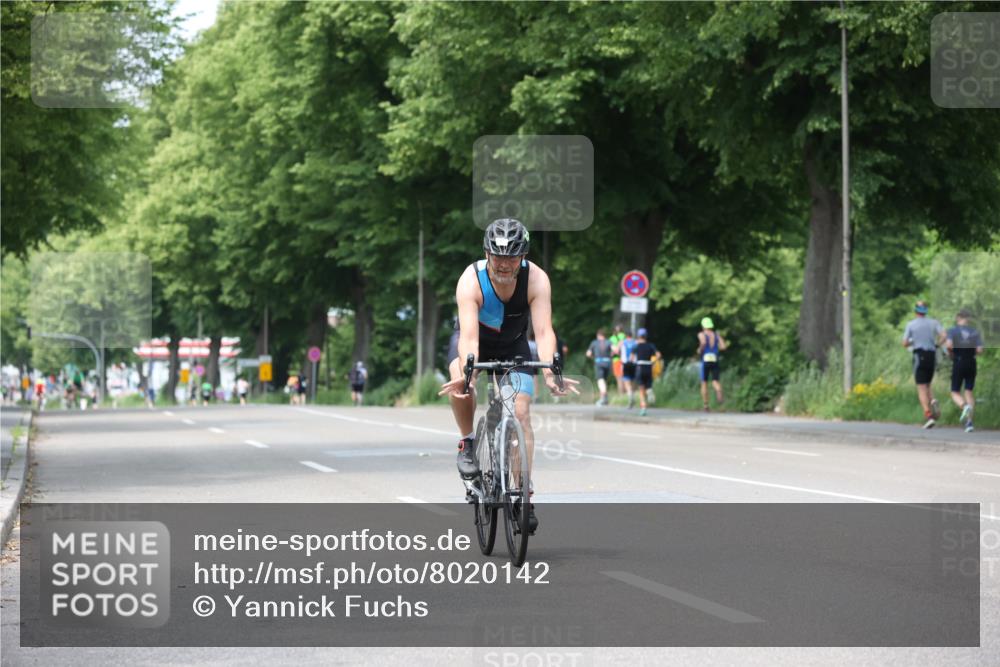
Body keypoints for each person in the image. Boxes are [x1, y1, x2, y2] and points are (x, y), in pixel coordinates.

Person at [438, 218, 577, 535]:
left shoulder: (536, 279)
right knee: (460, 383)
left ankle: (523, 494)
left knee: (523, 412)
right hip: (475, 342)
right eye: (497, 256)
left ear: (523, 256)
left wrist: (552, 371)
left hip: (514, 345)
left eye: (511, 256)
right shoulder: (470, 280)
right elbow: (469, 338)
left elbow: (543, 332)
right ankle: (467, 442)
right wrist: (469, 375)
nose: (503, 264)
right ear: (486, 253)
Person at [902, 300, 946, 429]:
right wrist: (937, 344)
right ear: (925, 311)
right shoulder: (934, 323)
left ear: (916, 311)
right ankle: (932, 400)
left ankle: (928, 416)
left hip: (919, 356)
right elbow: (944, 335)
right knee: (927, 384)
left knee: (921, 387)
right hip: (932, 356)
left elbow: (904, 343)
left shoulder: (911, 325)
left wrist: (912, 341)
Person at [946, 309, 984, 433]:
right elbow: (980, 350)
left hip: (959, 361)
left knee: (955, 392)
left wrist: (951, 354)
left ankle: (964, 406)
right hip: (971, 362)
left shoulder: (952, 330)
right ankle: (969, 423)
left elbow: (949, 345)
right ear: (968, 319)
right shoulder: (974, 332)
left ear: (958, 318)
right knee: (969, 391)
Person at [697, 317, 728, 411]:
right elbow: (723, 346)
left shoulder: (701, 334)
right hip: (715, 359)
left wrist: (699, 350)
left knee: (704, 382)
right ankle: (718, 391)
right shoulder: (716, 335)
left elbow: (703, 342)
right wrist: (715, 349)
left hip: (705, 359)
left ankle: (706, 405)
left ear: (703, 326)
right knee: (715, 381)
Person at [629, 328, 661, 416]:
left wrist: (633, 364)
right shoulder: (651, 345)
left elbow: (631, 359)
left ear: (638, 336)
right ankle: (649, 391)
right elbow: (658, 355)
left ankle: (643, 408)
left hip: (639, 367)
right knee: (648, 386)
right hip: (648, 367)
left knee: (641, 389)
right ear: (646, 336)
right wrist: (653, 362)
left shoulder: (636, 346)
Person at [585, 328, 614, 406]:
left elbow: (588, 353)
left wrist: (593, 357)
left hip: (599, 362)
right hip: (608, 362)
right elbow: (615, 350)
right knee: (604, 380)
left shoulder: (594, 342)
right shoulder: (609, 342)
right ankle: (605, 399)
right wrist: (611, 355)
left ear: (598, 335)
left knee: (600, 380)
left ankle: (603, 398)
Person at [619, 330, 637, 409]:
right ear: (632, 335)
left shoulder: (623, 342)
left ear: (626, 336)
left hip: (625, 364)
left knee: (627, 382)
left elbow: (616, 350)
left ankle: (630, 397)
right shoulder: (636, 342)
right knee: (633, 381)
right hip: (634, 364)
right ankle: (632, 395)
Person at [609, 324, 626, 394]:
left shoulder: (612, 338)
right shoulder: (624, 335)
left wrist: (615, 351)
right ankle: (625, 393)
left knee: (618, 377)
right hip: (624, 359)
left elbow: (611, 350)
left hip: (616, 359)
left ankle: (620, 393)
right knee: (624, 377)